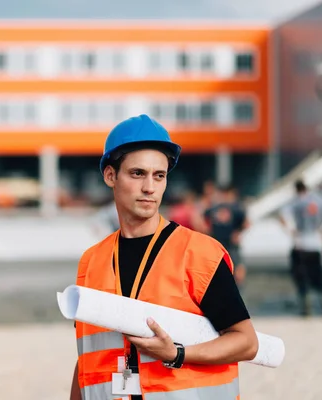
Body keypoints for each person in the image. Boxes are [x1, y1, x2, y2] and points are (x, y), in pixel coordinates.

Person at [70, 114, 258, 400]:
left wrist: (177, 354)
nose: (150, 187)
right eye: (137, 173)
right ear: (110, 176)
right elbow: (86, 356)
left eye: (159, 176)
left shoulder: (198, 254)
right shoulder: (91, 261)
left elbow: (246, 342)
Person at [279, 179, 322, 316]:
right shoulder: (319, 200)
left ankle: (306, 308)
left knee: (302, 277)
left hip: (300, 242)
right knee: (319, 276)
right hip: (316, 242)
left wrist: (291, 231)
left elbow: (284, 217)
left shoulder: (295, 202)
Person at [203, 184, 249, 286]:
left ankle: (237, 288)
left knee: (236, 267)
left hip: (230, 244)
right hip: (217, 243)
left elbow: (246, 223)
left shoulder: (236, 208)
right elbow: (203, 218)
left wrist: (238, 232)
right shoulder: (214, 208)